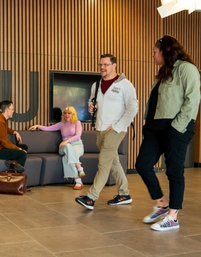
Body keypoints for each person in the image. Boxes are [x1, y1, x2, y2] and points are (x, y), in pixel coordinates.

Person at [135, 35, 200, 231]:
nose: (153, 55)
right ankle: (162, 204)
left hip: (176, 127)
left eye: (155, 52)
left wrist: (176, 127)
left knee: (174, 170)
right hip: (156, 129)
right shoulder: (163, 72)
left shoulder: (187, 69)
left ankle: (173, 216)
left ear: (165, 51)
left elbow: (193, 99)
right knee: (143, 164)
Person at [75, 53, 138, 210]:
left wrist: (117, 126)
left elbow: (133, 108)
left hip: (115, 130)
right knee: (113, 162)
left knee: (103, 163)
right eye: (100, 65)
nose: (102, 67)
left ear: (114, 65)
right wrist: (92, 107)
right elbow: (93, 101)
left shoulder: (125, 85)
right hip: (100, 128)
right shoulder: (96, 85)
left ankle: (91, 197)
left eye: (106, 64)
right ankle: (124, 193)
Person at [29, 106, 85, 190]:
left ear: (73, 114)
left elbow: (77, 136)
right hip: (64, 147)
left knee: (68, 156)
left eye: (69, 113)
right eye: (65, 113)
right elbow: (48, 128)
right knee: (68, 147)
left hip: (77, 145)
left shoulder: (77, 123)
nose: (67, 115)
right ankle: (79, 167)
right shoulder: (61, 124)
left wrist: (66, 141)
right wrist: (38, 126)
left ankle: (78, 181)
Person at [0, 100, 28, 173]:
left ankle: (13, 165)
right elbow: (5, 143)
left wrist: (14, 132)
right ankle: (14, 175)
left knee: (24, 147)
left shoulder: (0, 119)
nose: (13, 111)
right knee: (22, 153)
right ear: (7, 110)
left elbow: (4, 129)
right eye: (12, 109)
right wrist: (19, 149)